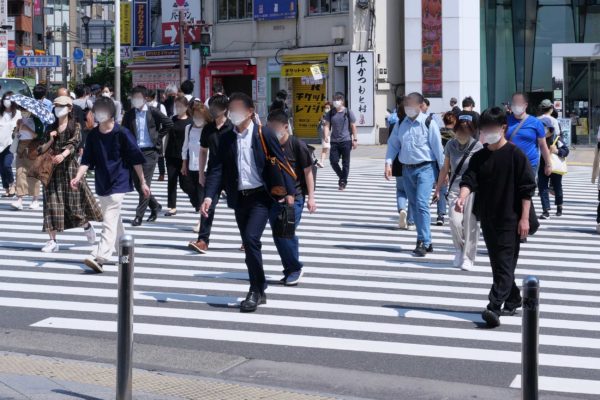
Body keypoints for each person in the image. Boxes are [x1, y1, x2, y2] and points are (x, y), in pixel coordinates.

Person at [200, 92, 296, 312]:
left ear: (250, 112)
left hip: (261, 196)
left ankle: (254, 289)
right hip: (239, 198)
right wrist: (208, 196)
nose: (233, 114)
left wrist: (290, 193)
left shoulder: (263, 133)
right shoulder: (225, 138)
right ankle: (260, 286)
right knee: (249, 244)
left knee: (251, 239)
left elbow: (281, 162)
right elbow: (216, 170)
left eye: (237, 110)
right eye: (230, 110)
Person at [455, 106, 536, 328]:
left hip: (511, 220)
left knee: (503, 266)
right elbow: (469, 180)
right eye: (484, 128)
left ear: (503, 128)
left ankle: (493, 308)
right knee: (500, 265)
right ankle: (513, 298)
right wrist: (462, 197)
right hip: (489, 218)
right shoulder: (480, 156)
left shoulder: (515, 155)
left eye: (491, 127)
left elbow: (526, 189)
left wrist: (525, 219)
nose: (487, 132)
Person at [71, 97, 149, 273]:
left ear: (112, 114)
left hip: (119, 180)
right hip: (102, 180)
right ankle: (125, 252)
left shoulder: (122, 133)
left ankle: (100, 256)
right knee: (113, 219)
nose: (99, 113)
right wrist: (77, 177)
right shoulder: (93, 136)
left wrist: (143, 182)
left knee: (109, 219)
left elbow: (136, 159)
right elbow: (87, 160)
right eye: (97, 110)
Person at [385, 92, 444, 257]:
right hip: (407, 169)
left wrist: (443, 172)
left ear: (420, 106)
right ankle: (427, 240)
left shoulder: (428, 122)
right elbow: (393, 145)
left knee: (421, 204)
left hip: (426, 168)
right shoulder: (400, 124)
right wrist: (388, 162)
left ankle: (423, 241)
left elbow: (438, 149)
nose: (408, 108)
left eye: (411, 105)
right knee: (414, 204)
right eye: (406, 105)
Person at [40, 96, 103, 253]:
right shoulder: (50, 127)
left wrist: (63, 154)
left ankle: (86, 225)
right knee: (51, 205)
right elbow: (41, 149)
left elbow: (74, 143)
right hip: (51, 172)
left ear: (69, 108)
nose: (57, 109)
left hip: (70, 170)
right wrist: (50, 139)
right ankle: (52, 240)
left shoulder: (75, 125)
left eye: (61, 106)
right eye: (55, 106)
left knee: (74, 206)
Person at [266, 110, 317, 286]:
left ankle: (295, 267)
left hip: (294, 198)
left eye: (275, 127)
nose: (272, 130)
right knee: (278, 235)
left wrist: (311, 198)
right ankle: (289, 269)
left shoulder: (297, 145)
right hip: (274, 198)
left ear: (285, 127)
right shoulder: (268, 144)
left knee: (285, 232)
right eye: (269, 127)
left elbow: (308, 173)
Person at [434, 118, 482, 270]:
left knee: (470, 223)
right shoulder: (450, 145)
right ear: (455, 131)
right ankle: (459, 249)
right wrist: (437, 188)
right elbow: (445, 168)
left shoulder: (478, 146)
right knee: (454, 221)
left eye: (466, 131)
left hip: (472, 189)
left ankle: (468, 256)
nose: (462, 134)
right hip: (455, 188)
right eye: (460, 131)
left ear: (471, 132)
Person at [122, 86, 173, 226]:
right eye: (134, 98)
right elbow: (124, 132)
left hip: (150, 152)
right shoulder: (129, 114)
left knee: (145, 183)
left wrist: (158, 137)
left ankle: (139, 216)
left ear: (145, 98)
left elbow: (169, 123)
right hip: (134, 152)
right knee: (138, 184)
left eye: (139, 98)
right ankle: (155, 206)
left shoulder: (153, 111)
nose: (136, 100)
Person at [188, 95, 232, 253]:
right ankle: (203, 240)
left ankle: (247, 240)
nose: (213, 110)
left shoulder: (233, 127)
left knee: (241, 207)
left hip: (233, 173)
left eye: (217, 107)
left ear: (225, 109)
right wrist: (201, 173)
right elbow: (203, 151)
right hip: (213, 172)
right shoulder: (208, 129)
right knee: (207, 205)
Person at [507, 92, 552, 179]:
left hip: (529, 164)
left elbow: (543, 145)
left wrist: (548, 164)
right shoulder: (505, 121)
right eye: (514, 102)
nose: (516, 105)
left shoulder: (536, 123)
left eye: (519, 103)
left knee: (527, 191)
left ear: (525, 105)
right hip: (509, 164)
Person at [164, 96, 194, 216]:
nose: (178, 108)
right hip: (171, 154)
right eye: (176, 106)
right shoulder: (172, 119)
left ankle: (196, 200)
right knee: (171, 180)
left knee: (185, 183)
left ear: (186, 107)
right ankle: (172, 206)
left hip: (184, 157)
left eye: (180, 106)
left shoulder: (191, 121)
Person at [11, 106, 44, 210]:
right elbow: (15, 135)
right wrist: (17, 130)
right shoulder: (19, 120)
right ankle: (19, 199)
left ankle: (35, 199)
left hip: (33, 147)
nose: (23, 112)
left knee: (33, 174)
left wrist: (26, 128)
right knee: (20, 172)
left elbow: (39, 136)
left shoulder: (37, 121)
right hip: (21, 147)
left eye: (25, 110)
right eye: (21, 110)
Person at [323, 92, 357, 190]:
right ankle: (342, 177)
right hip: (334, 141)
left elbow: (353, 126)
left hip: (346, 140)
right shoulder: (330, 113)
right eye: (334, 99)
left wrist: (355, 139)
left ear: (342, 101)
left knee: (345, 163)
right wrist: (326, 135)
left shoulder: (348, 112)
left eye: (337, 99)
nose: (335, 102)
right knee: (333, 161)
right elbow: (326, 125)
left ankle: (342, 182)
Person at [537, 117, 569, 219]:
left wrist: (556, 151)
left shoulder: (557, 139)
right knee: (542, 187)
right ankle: (545, 210)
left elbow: (566, 151)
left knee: (557, 186)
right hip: (542, 166)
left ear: (550, 129)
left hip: (555, 166)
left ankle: (559, 206)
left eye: (544, 128)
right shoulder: (537, 139)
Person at [0, 91, 19, 198]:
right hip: (0, 142)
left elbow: (18, 127)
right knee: (1, 168)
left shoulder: (17, 114)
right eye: (5, 99)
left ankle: (12, 184)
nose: (7, 101)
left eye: (9, 99)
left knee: (7, 165)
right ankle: (6, 188)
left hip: (10, 144)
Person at [317, 102, 332, 168]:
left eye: (328, 108)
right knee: (325, 149)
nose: (326, 109)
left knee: (327, 149)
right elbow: (321, 126)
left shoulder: (333, 115)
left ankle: (322, 162)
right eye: (325, 108)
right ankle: (321, 162)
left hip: (333, 135)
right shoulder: (323, 116)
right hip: (326, 135)